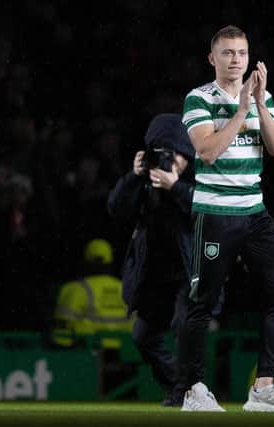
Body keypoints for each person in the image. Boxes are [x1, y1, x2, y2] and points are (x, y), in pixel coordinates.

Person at [178, 25, 274, 412]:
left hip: (254, 210)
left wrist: (258, 105)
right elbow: (207, 151)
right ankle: (194, 389)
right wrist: (240, 111)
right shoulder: (198, 99)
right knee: (203, 300)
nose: (236, 60)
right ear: (212, 58)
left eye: (242, 53)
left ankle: (264, 386)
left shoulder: (262, 96)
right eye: (228, 53)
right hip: (216, 211)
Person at [107, 113, 196, 407]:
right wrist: (134, 176)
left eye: (178, 155)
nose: (172, 161)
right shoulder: (144, 181)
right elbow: (116, 210)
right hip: (154, 275)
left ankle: (192, 389)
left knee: (186, 326)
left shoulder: (201, 176)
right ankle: (178, 387)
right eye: (164, 153)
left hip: (188, 271)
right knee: (143, 337)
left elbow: (209, 213)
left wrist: (176, 187)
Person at [52, 238, 133, 349]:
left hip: (87, 358)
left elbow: (61, 336)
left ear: (85, 261)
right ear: (110, 261)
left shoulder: (73, 289)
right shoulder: (126, 289)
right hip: (125, 357)